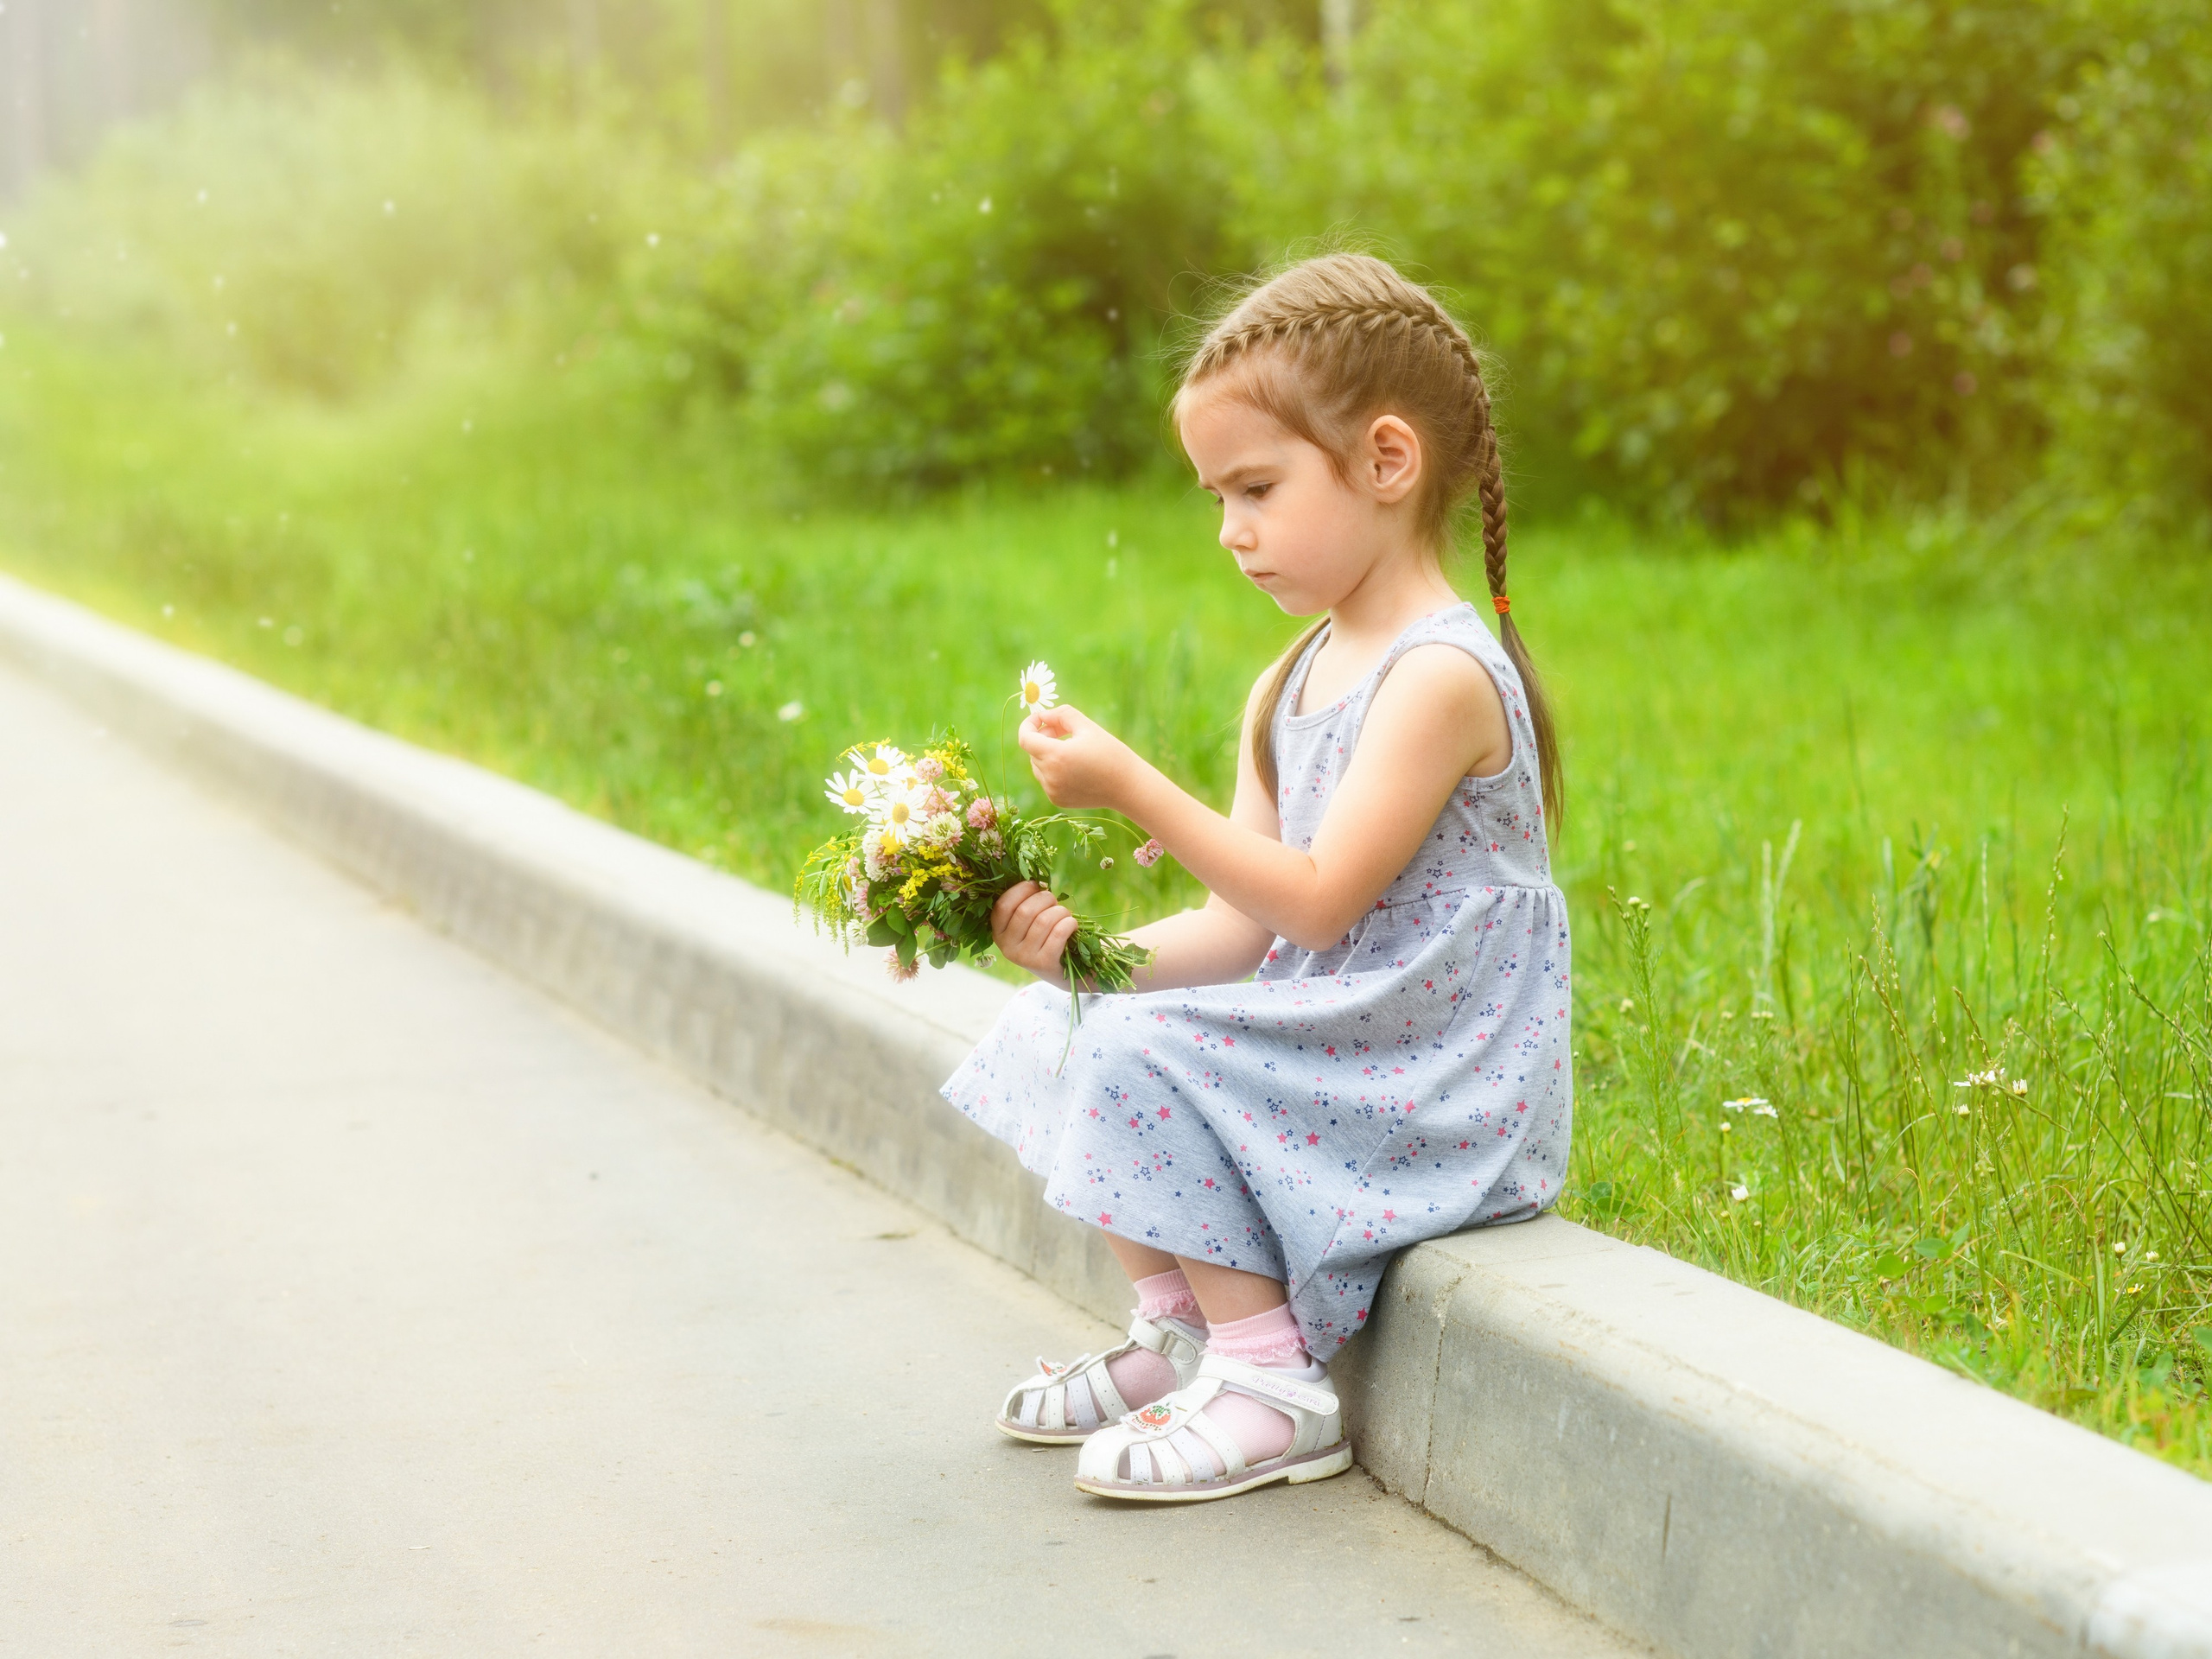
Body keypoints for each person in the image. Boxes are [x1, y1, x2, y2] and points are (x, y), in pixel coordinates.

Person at [941, 252, 1571, 1503]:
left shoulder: (1440, 676)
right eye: (1216, 496)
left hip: (1434, 1077)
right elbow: (1240, 932)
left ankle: (1273, 1382)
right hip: (1338, 1038)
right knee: (1082, 1026)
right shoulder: (1287, 682)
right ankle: (1180, 1335)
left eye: (1257, 488)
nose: (1231, 531)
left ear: (1389, 464)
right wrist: (1082, 959)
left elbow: (1319, 899)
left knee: (1137, 1054)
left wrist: (1136, 789)